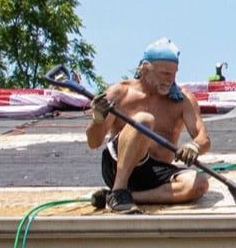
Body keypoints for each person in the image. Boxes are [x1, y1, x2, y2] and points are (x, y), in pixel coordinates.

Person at [85, 38, 210, 214]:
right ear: (145, 68)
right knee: (144, 120)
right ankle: (119, 189)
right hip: (118, 165)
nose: (170, 80)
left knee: (199, 184)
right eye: (165, 74)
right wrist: (97, 120)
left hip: (156, 173)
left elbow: (203, 138)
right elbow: (93, 142)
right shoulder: (119, 93)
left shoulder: (183, 99)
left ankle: (119, 196)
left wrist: (194, 146)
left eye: (174, 74)